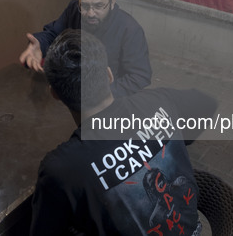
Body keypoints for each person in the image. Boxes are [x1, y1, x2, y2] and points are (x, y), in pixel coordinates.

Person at [30, 29, 215, 235]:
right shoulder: (160, 101)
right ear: (109, 75)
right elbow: (208, 104)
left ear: (54, 94)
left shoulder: (60, 169)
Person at [19, 0, 152, 97]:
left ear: (112, 2)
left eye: (98, 6)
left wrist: (103, 93)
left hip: (109, 99)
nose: (90, 13)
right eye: (85, 6)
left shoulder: (130, 29)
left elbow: (139, 76)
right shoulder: (73, 11)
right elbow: (53, 34)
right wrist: (40, 45)